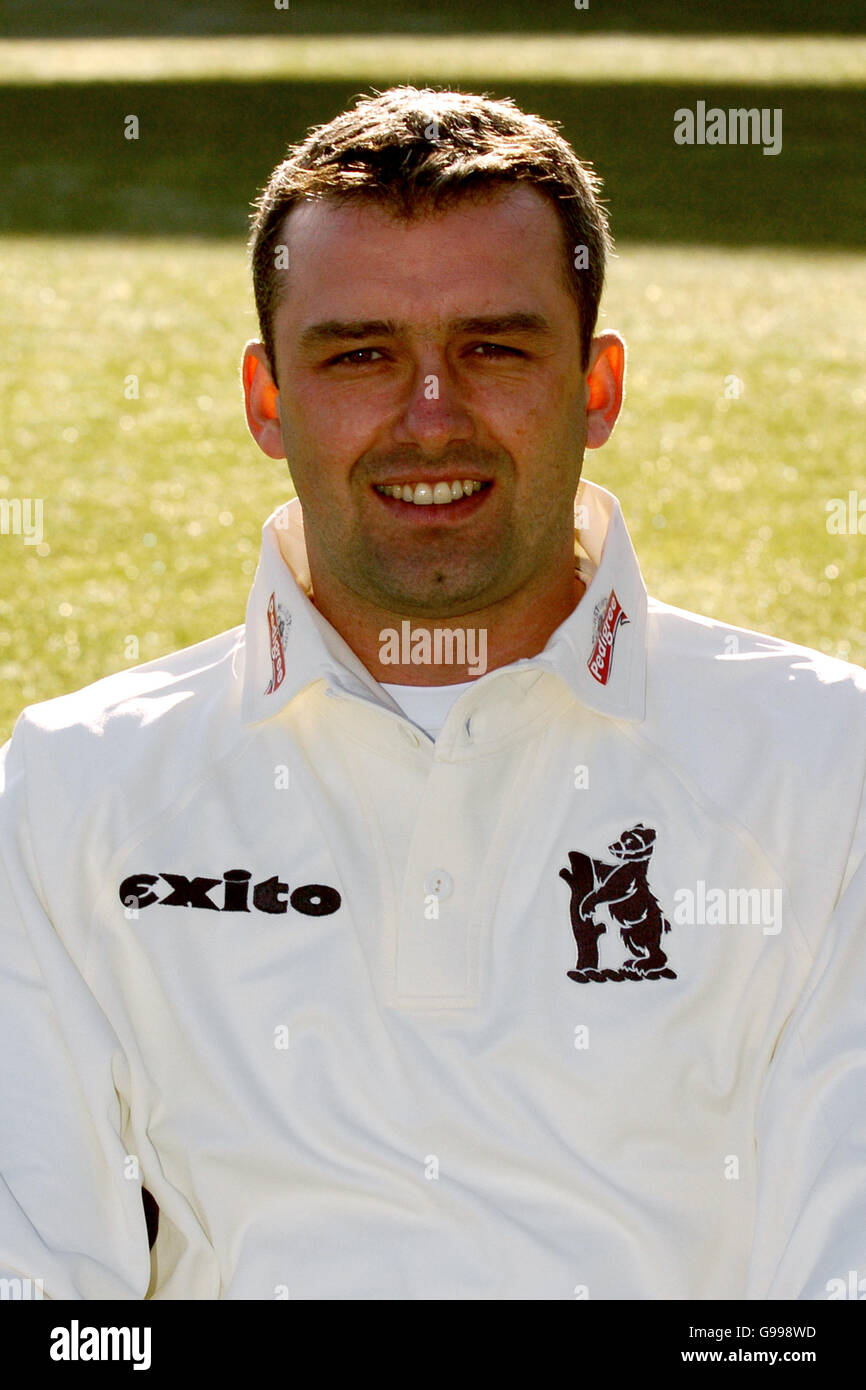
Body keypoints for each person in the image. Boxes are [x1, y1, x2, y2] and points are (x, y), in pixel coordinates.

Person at [1, 85, 864, 1302]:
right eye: (359, 354)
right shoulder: (75, 778)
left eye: (493, 348)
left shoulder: (826, 760)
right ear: (266, 400)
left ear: (597, 387)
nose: (429, 416)